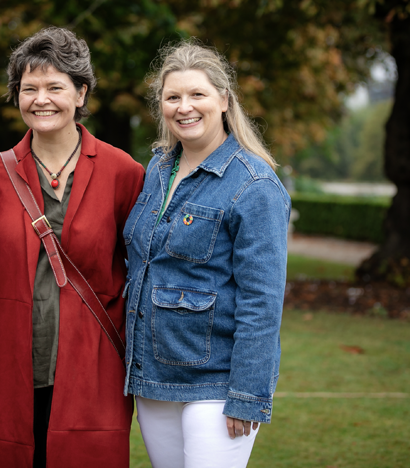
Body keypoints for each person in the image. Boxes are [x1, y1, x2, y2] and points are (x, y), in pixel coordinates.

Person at [0, 27, 145, 468]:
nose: (41, 99)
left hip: (93, 365)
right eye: (28, 88)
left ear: (80, 92)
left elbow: (148, 267)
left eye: (55, 87)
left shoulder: (122, 172)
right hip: (8, 363)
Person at [122, 39, 290, 468]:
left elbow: (262, 301)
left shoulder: (255, 186)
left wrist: (248, 394)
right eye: (172, 97)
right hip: (154, 378)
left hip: (217, 383)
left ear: (224, 100)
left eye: (197, 94)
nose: (185, 107)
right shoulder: (157, 170)